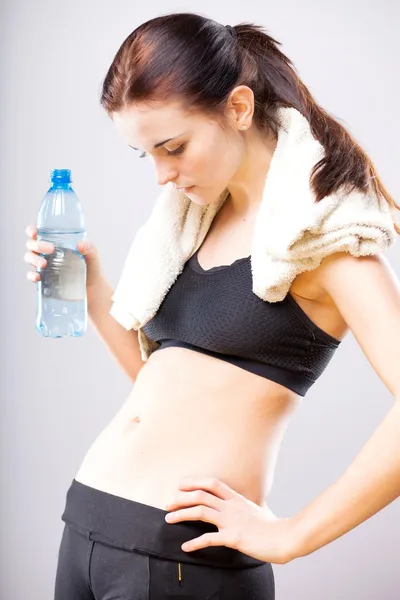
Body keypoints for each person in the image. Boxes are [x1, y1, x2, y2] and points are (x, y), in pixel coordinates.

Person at [24, 12, 400, 600]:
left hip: (180, 560)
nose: (161, 175)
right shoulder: (190, 226)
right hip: (87, 530)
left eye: (172, 147)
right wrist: (94, 290)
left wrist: (292, 536)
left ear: (240, 108)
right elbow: (165, 387)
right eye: (143, 154)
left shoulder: (323, 238)